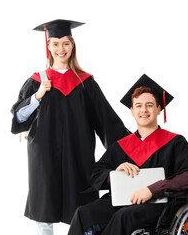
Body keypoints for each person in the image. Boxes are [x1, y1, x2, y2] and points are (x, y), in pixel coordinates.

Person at [10, 19, 129, 235]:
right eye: (55, 44)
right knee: (45, 210)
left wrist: (133, 146)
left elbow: (107, 121)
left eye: (65, 43)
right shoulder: (36, 81)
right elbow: (18, 118)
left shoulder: (85, 83)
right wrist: (37, 96)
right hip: (43, 157)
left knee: (81, 210)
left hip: (79, 155)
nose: (60, 49)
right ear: (48, 46)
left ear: (72, 45)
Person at [68, 74, 188, 235]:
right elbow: (95, 173)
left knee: (123, 217)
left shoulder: (175, 142)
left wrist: (151, 190)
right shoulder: (122, 146)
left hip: (162, 205)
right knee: (84, 214)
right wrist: (113, 174)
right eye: (138, 106)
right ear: (132, 111)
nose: (144, 110)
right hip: (125, 201)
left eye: (149, 105)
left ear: (159, 109)